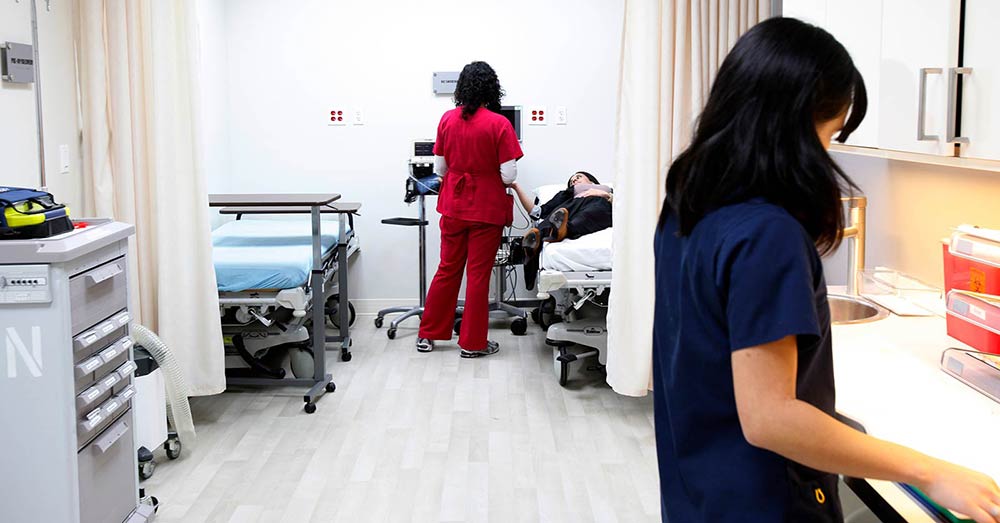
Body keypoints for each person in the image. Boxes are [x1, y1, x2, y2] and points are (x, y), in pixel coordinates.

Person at [653, 17, 1000, 523]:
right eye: (830, 132)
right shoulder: (766, 233)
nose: (828, 151)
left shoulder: (687, 200)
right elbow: (770, 418)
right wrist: (929, 471)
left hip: (699, 492)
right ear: (792, 123)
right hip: (764, 502)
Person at [416, 61, 523, 358]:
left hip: (453, 205)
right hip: (486, 209)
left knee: (447, 269)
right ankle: (473, 344)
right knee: (477, 276)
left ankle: (428, 335)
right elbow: (509, 176)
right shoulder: (500, 124)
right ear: (492, 88)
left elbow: (440, 168)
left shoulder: (447, 119)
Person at [510, 172, 613, 288]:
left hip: (598, 204)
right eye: (571, 181)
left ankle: (559, 232)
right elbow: (537, 213)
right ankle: (537, 241)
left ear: (591, 180)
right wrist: (516, 187)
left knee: (589, 214)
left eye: (578, 177)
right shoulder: (566, 195)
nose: (574, 181)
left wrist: (606, 195)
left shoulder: (608, 190)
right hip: (570, 209)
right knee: (553, 219)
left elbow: (625, 205)